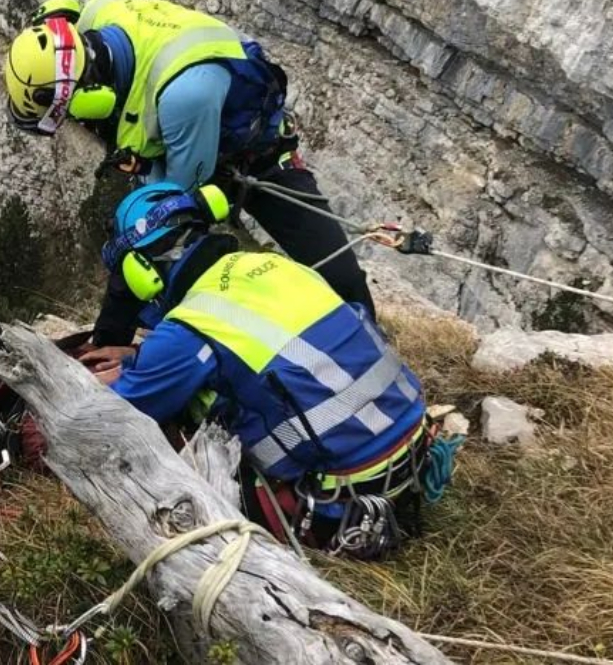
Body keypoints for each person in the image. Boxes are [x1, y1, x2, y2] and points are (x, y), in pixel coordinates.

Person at [3, 0, 375, 353]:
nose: (78, 123)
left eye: (72, 113)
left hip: (258, 161)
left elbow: (171, 209)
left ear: (89, 94)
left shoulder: (184, 96)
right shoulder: (102, 8)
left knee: (337, 276)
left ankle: (366, 347)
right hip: (194, 142)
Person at [95, 183, 433, 559]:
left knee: (197, 407)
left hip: (341, 504)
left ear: (142, 270)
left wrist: (120, 373)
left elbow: (117, 413)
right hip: (415, 448)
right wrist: (137, 355)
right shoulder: (274, 266)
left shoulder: (188, 326)